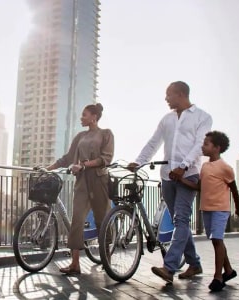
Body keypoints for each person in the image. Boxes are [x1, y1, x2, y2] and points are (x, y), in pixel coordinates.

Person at [128, 81, 212, 283]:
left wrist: (182, 167)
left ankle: (169, 267)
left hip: (188, 175)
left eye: (169, 95)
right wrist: (139, 162)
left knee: (181, 220)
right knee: (179, 221)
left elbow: (200, 145)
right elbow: (153, 142)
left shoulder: (203, 117)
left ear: (181, 94)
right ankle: (194, 263)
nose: (166, 99)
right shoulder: (166, 119)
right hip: (167, 176)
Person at [44, 103, 114, 275]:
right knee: (77, 221)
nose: (81, 118)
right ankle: (75, 263)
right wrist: (48, 168)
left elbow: (106, 158)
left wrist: (83, 165)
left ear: (94, 117)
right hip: (82, 183)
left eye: (84, 115)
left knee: (102, 220)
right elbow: (68, 158)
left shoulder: (106, 134)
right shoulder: (80, 136)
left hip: (99, 181)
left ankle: (107, 258)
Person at [178, 131, 239, 292]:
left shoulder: (225, 168)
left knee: (217, 240)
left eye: (207, 143)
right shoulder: (205, 166)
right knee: (216, 240)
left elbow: (234, 190)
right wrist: (181, 180)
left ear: (217, 148)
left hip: (220, 210)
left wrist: (238, 208)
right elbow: (199, 187)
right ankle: (228, 270)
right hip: (206, 209)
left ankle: (218, 277)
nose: (203, 146)